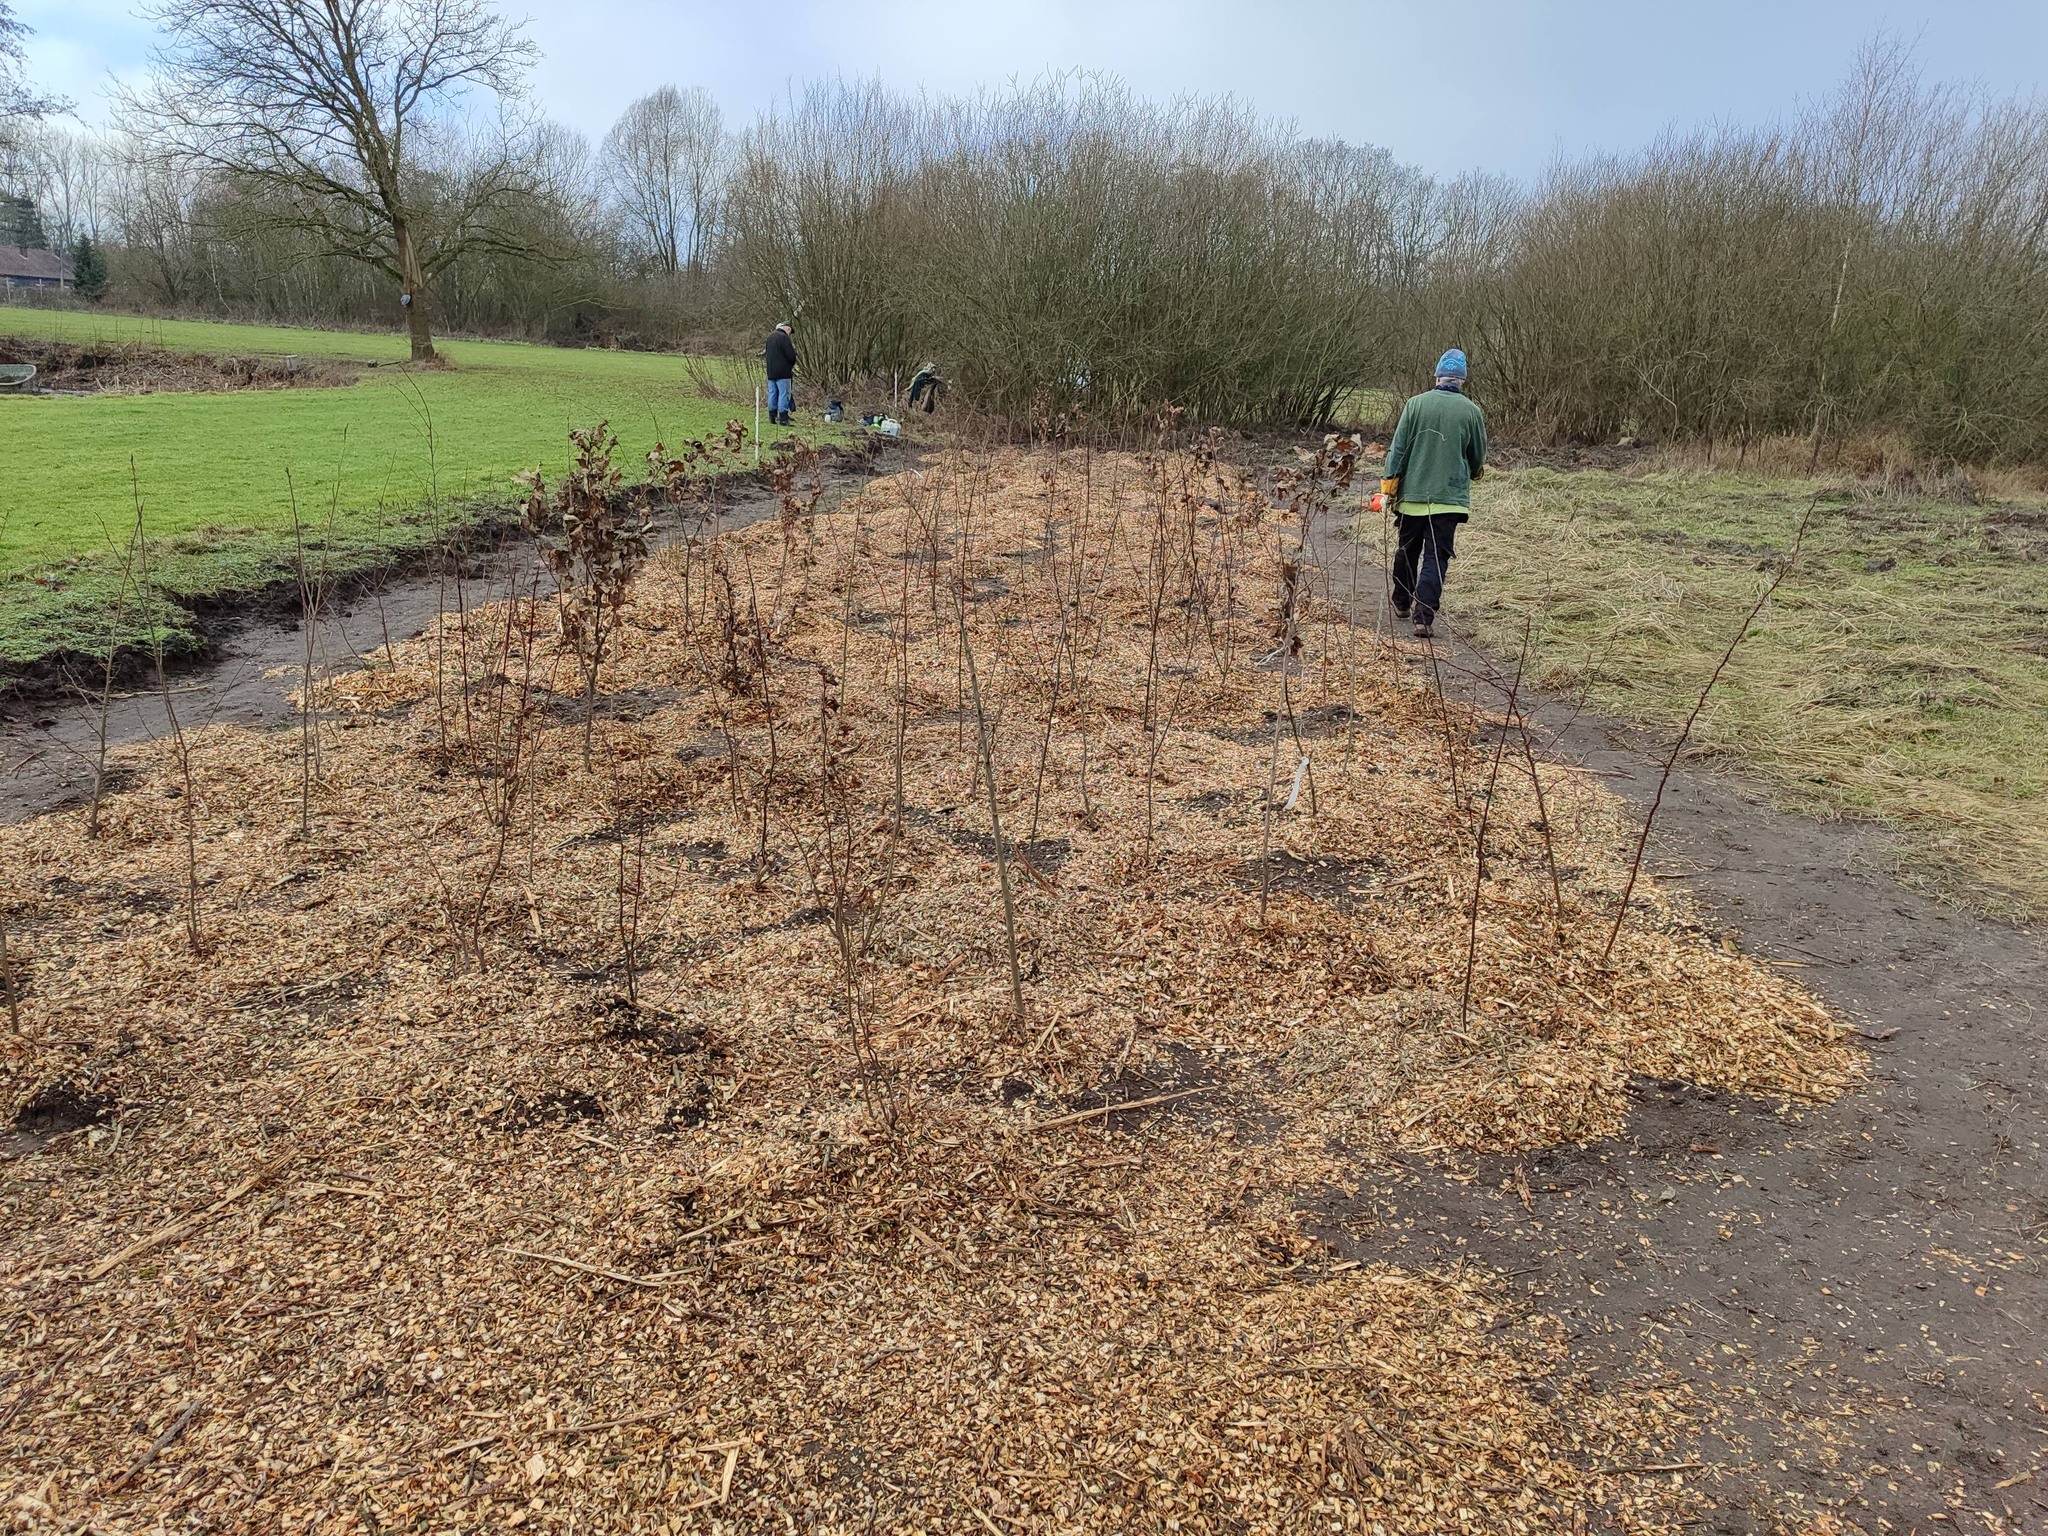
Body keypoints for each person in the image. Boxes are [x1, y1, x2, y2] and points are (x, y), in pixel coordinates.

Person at [1380, 348, 1487, 638]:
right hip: (1449, 500)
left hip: (1412, 496)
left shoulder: (1415, 405)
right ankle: (1423, 617)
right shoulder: (1472, 411)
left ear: (1437, 376)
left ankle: (1401, 602)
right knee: (1436, 557)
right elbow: (1477, 456)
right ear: (1462, 380)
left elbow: (1399, 448)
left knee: (1407, 550)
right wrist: (1473, 470)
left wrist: (1390, 482)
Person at [764, 322, 797, 426]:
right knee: (784, 394)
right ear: (787, 329)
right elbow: (791, 356)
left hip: (771, 371)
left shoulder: (770, 337)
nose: (789, 334)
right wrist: (792, 363)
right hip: (783, 372)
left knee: (772, 393)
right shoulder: (784, 338)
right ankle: (783, 418)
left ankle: (772, 416)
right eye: (790, 332)